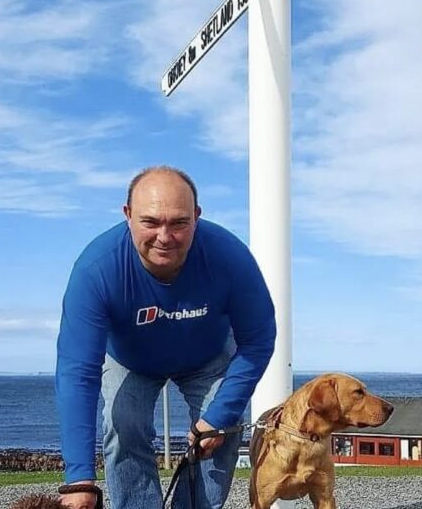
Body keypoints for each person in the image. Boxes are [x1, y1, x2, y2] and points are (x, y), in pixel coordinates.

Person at [55, 166, 277, 509]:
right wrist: (79, 480)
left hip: (208, 356)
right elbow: (77, 371)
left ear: (197, 217)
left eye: (178, 223)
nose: (164, 236)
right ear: (128, 215)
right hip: (131, 359)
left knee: (222, 431)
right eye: (150, 222)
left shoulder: (230, 257)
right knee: (122, 423)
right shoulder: (96, 270)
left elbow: (259, 339)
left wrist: (218, 415)